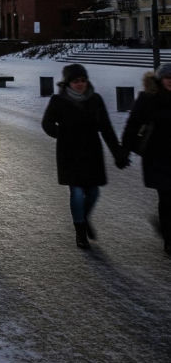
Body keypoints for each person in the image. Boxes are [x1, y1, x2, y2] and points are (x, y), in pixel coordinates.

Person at [41, 63, 128, 249]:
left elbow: (106, 128)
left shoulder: (95, 99)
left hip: (91, 152)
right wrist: (62, 134)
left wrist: (118, 153)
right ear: (68, 83)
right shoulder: (58, 100)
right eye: (75, 81)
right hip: (69, 153)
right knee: (77, 193)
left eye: (83, 80)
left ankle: (84, 217)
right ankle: (80, 232)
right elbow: (47, 123)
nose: (80, 84)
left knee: (94, 192)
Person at [121, 62, 171, 255]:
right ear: (160, 79)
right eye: (167, 78)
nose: (170, 81)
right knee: (167, 197)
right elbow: (133, 124)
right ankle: (169, 239)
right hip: (157, 156)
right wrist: (124, 151)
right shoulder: (148, 98)